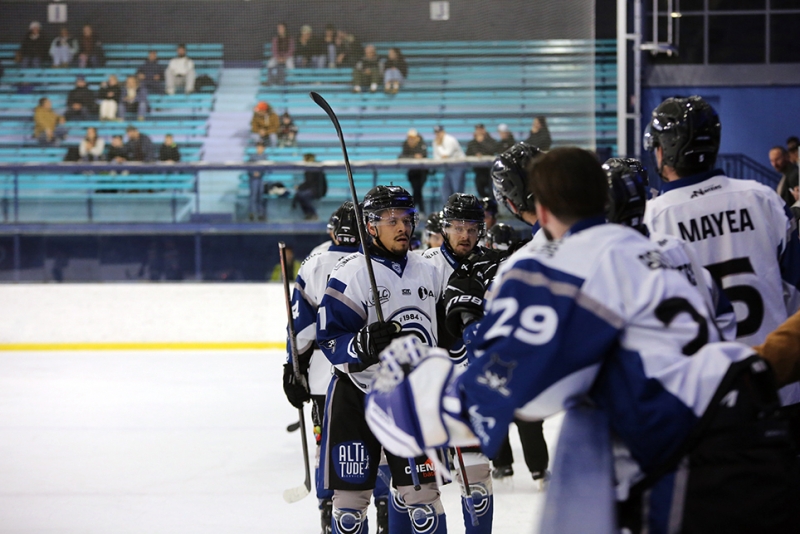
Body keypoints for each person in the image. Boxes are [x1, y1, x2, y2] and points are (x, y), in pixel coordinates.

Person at [365, 147, 799, 534]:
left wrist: (415, 401)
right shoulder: (667, 249)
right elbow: (721, 318)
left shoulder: (551, 264)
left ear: (544, 210)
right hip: (756, 420)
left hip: (692, 454)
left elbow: (514, 394)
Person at [316, 185, 448, 534]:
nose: (403, 227)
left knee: (424, 504)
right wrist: (361, 343)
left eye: (407, 219)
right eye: (392, 220)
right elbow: (328, 338)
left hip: (412, 399)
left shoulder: (427, 269)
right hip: (356, 395)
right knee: (349, 507)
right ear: (370, 226)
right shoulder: (352, 273)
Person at [644, 96, 800, 350]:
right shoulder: (763, 198)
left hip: (705, 381)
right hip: (773, 377)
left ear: (664, 151)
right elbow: (795, 290)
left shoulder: (652, 218)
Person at [282, 202, 391, 534]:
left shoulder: (315, 261)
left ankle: (330, 511)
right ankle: (387, 508)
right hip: (379, 372)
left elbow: (301, 329)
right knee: (386, 443)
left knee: (330, 447)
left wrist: (293, 369)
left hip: (322, 376)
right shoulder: (382, 261)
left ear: (332, 231)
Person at [421, 193, 497, 531]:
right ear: (444, 227)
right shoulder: (422, 265)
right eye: (456, 227)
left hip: (471, 392)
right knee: (419, 489)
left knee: (477, 481)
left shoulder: (496, 266)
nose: (463, 235)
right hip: (426, 392)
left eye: (470, 227)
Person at [432, 125, 466, 205]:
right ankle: (448, 210)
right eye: (436, 133)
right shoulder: (435, 141)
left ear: (443, 132)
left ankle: (460, 209)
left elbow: (445, 155)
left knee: (457, 189)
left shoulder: (450, 140)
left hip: (458, 166)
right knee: (446, 190)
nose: (438, 135)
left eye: (439, 132)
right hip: (448, 167)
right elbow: (436, 157)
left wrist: (439, 146)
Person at [399, 129, 429, 213]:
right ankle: (419, 210)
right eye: (409, 138)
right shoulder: (406, 144)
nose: (411, 140)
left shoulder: (421, 144)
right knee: (417, 190)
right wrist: (413, 156)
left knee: (417, 190)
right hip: (412, 172)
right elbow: (402, 156)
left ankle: (415, 209)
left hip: (422, 172)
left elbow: (424, 155)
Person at [466, 124, 497, 199]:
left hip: (489, 171)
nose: (479, 131)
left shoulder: (491, 141)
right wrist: (476, 154)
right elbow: (468, 153)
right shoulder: (472, 142)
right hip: (479, 171)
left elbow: (493, 149)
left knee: (492, 191)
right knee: (480, 189)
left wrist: (483, 141)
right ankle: (486, 203)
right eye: (477, 129)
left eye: (481, 129)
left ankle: (493, 206)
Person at [294, 154, 326, 221]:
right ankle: (308, 214)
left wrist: (299, 187)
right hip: (312, 188)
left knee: (303, 195)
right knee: (299, 195)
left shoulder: (314, 168)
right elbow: (308, 182)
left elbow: (309, 182)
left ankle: (313, 214)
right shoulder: (309, 168)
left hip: (318, 190)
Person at [247, 141, 268, 221]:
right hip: (253, 179)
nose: (259, 149)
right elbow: (248, 167)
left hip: (261, 179)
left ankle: (261, 213)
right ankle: (251, 213)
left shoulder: (265, 157)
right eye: (258, 147)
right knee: (253, 196)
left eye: (261, 147)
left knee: (260, 196)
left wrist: (260, 173)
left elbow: (266, 168)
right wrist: (253, 173)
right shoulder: (252, 157)